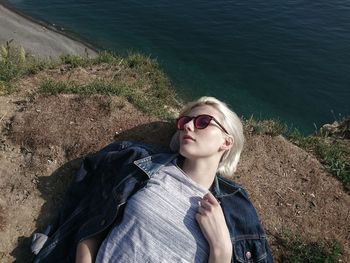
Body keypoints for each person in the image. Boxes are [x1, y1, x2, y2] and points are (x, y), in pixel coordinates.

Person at [31, 96, 273, 263]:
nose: (188, 127)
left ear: (226, 142)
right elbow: (91, 224)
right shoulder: (145, 169)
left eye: (202, 122)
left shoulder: (233, 212)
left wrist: (221, 250)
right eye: (183, 122)